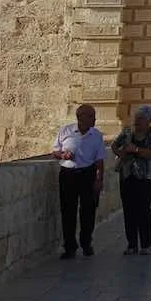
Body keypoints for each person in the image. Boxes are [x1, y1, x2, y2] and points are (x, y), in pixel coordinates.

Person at [53, 104, 106, 260]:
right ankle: (69, 247)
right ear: (80, 117)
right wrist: (63, 155)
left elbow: (100, 160)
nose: (94, 119)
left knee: (88, 211)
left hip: (87, 174)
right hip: (68, 174)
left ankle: (86, 243)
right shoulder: (66, 131)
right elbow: (55, 151)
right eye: (91, 116)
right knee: (68, 211)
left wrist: (99, 179)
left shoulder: (96, 135)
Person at [113, 104, 151, 256]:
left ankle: (146, 244)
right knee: (128, 210)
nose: (137, 121)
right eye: (136, 118)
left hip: (145, 177)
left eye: (140, 119)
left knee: (143, 209)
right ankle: (132, 244)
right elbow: (114, 145)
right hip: (126, 175)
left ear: (148, 121)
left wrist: (136, 150)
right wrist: (122, 154)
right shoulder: (127, 132)